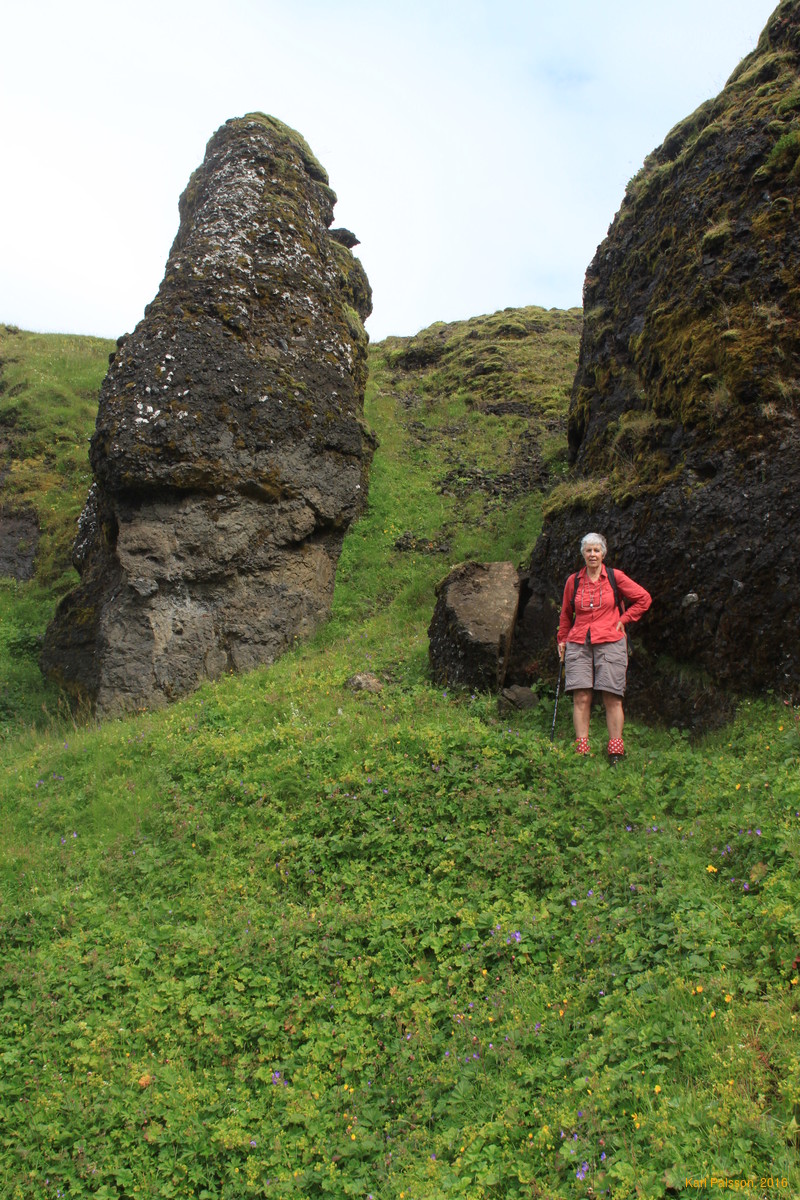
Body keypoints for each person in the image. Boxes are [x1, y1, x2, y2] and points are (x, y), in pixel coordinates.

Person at [556, 533, 651, 764]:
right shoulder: (574, 581)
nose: (592, 554)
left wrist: (624, 619)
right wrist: (562, 639)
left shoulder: (614, 577)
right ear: (583, 554)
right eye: (588, 550)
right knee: (581, 695)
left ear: (603, 553)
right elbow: (566, 614)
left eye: (596, 550)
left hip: (610, 639)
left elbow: (643, 598)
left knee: (612, 695)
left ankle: (615, 750)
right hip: (579, 642)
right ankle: (582, 749)